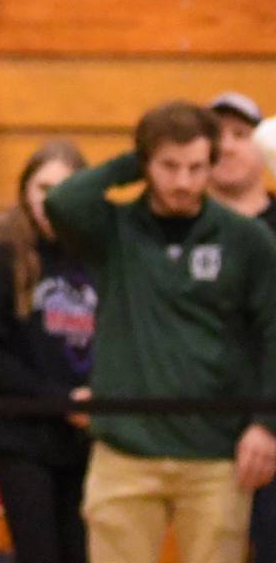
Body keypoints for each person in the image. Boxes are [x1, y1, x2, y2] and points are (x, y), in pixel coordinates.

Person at [44, 102, 276, 563]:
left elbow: (274, 334)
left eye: (196, 167)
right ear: (146, 165)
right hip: (124, 450)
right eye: (169, 166)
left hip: (215, 454)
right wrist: (135, 158)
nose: (184, 182)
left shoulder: (247, 240)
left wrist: (266, 425)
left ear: (212, 165)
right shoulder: (111, 230)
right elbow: (61, 201)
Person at [0, 139, 96, 563]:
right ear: (24, 190)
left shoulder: (98, 252)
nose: (51, 200)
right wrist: (59, 400)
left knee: (82, 551)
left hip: (87, 433)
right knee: (39, 552)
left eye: (66, 188)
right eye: (42, 187)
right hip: (22, 434)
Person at [205, 92, 276, 563]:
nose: (227, 147)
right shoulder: (180, 228)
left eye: (240, 135)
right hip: (204, 428)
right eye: (215, 136)